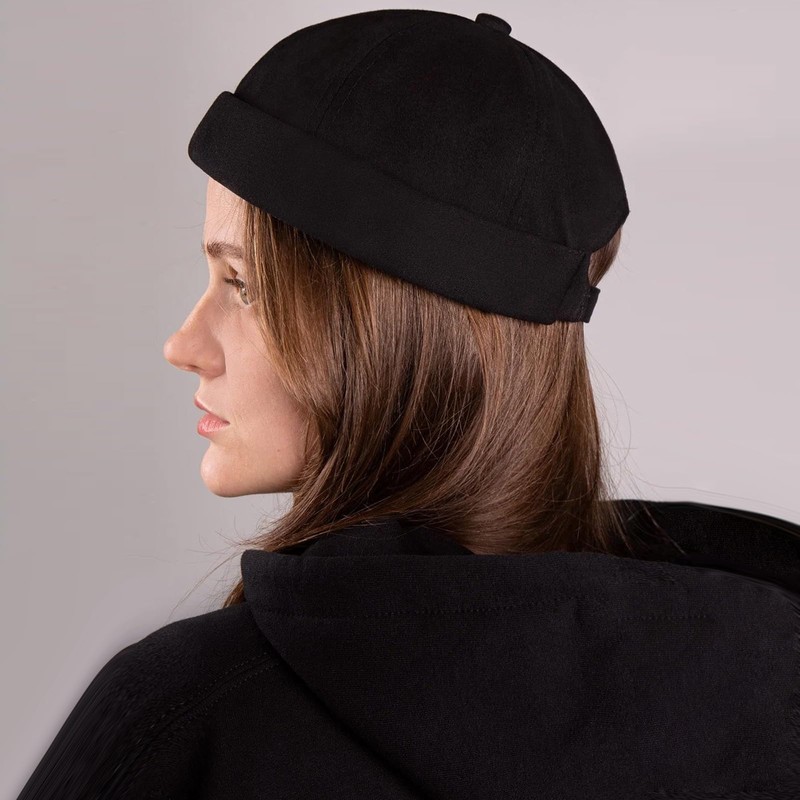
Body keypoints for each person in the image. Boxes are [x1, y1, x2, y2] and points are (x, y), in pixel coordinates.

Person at [17, 9, 800, 799]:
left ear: (397, 335)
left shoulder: (180, 717)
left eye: (244, 285)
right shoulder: (761, 691)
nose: (183, 343)